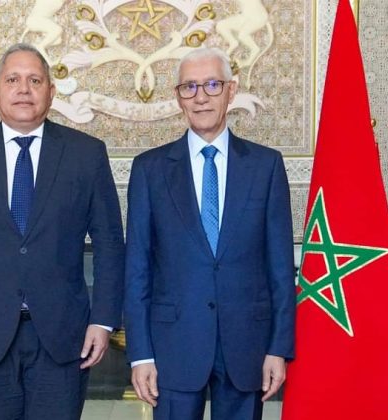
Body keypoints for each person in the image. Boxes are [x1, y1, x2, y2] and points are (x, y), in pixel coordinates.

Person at [0, 43, 124, 419]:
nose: (23, 89)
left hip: (64, 338)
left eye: (35, 80)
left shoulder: (86, 154)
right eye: (12, 79)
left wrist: (103, 320)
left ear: (51, 91)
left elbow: (110, 244)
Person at [123, 47, 295, 420]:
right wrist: (140, 354)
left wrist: (278, 347)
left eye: (212, 85)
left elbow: (280, 267)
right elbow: (137, 269)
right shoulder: (150, 169)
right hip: (173, 346)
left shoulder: (265, 166)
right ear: (178, 97)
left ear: (231, 91)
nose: (200, 97)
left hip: (247, 345)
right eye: (189, 87)